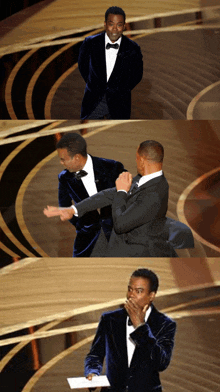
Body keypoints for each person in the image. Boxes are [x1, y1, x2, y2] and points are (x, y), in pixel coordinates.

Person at [44, 140, 178, 257]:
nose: (135, 161)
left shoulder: (153, 195)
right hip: (120, 243)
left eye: (137, 158)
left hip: (137, 250)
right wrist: (73, 210)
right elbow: (108, 194)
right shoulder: (145, 179)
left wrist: (121, 192)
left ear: (142, 161)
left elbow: (120, 225)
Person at [85, 268, 176, 392]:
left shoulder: (165, 324)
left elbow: (161, 363)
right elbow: (95, 354)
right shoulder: (110, 319)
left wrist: (140, 327)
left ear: (151, 296)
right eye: (129, 289)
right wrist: (92, 372)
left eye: (138, 291)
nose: (131, 295)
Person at [55, 132, 125, 257]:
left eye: (63, 159)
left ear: (76, 157)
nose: (61, 163)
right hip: (87, 239)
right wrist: (83, 224)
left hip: (118, 235)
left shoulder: (112, 167)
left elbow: (129, 194)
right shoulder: (64, 178)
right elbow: (64, 206)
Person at [78, 6, 143, 119]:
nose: (114, 29)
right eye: (111, 24)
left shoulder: (133, 48)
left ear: (123, 26)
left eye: (119, 25)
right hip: (94, 101)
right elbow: (82, 66)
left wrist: (122, 90)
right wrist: (93, 84)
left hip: (120, 103)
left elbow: (137, 74)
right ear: (105, 24)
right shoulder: (90, 42)